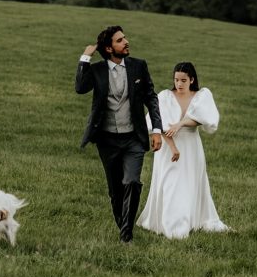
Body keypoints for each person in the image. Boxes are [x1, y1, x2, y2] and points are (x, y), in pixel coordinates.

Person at [75, 26, 163, 243]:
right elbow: (80, 87)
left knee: (132, 182)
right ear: (108, 48)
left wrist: (157, 130)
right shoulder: (97, 70)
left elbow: (151, 98)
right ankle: (124, 226)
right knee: (116, 191)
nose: (126, 42)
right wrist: (85, 57)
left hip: (134, 137)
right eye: (120, 40)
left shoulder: (138, 66)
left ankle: (126, 236)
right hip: (107, 139)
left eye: (125, 38)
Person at [137, 62, 228, 239]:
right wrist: (172, 147)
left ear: (192, 80)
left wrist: (181, 123)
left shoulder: (202, 95)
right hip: (168, 147)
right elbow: (157, 124)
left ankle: (189, 221)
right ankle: (174, 229)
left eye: (183, 80)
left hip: (191, 146)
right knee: (171, 183)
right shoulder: (165, 96)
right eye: (176, 80)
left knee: (188, 184)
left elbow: (204, 119)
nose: (179, 84)